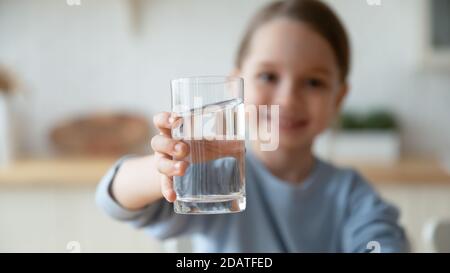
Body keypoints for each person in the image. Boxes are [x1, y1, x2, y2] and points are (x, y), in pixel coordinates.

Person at [96, 0, 409, 252]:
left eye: (313, 82)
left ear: (338, 99)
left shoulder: (351, 194)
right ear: (235, 86)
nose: (287, 99)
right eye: (268, 77)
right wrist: (163, 168)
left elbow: (384, 240)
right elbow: (114, 199)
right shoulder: (216, 177)